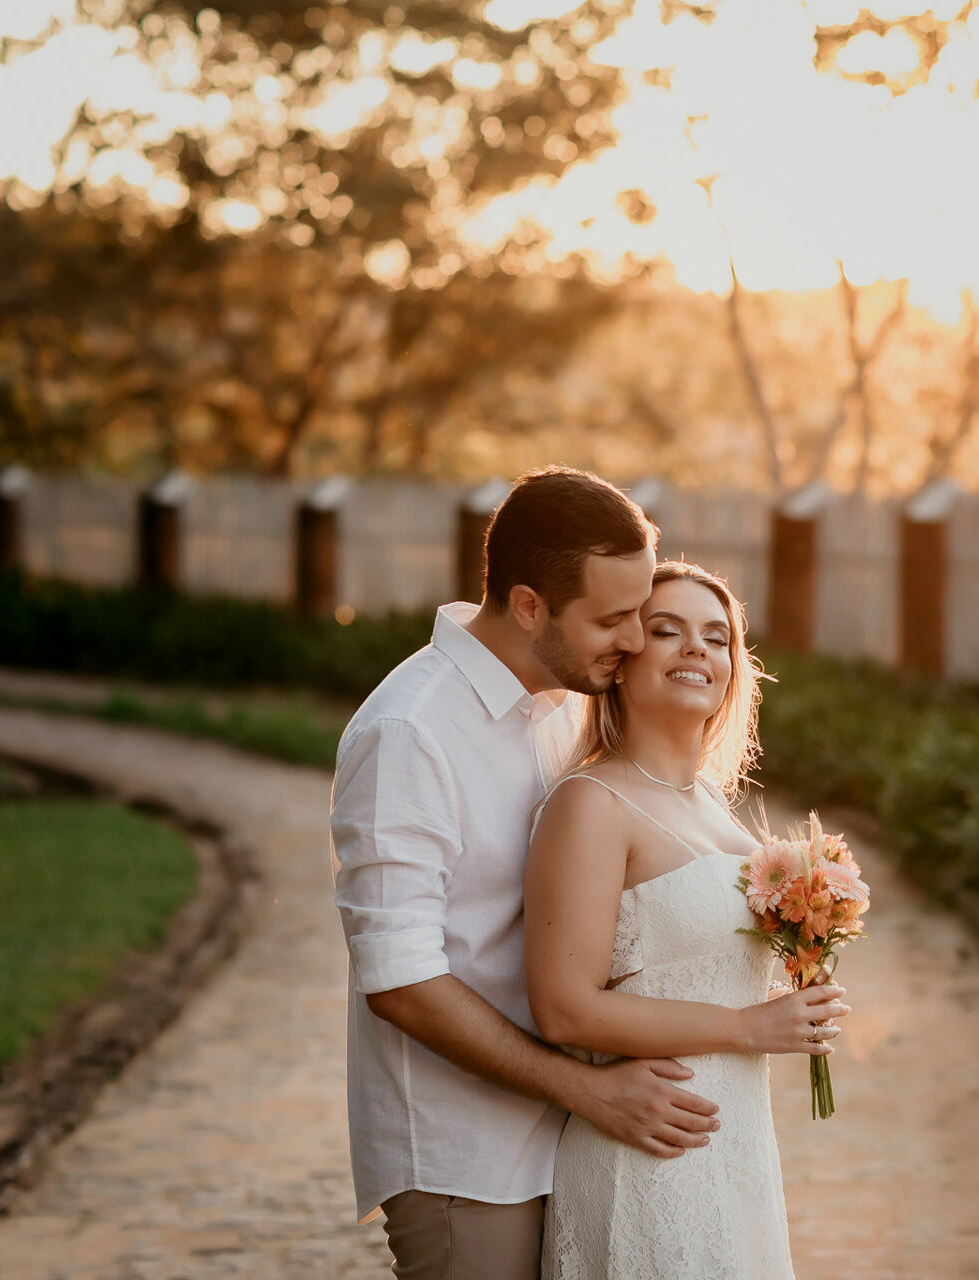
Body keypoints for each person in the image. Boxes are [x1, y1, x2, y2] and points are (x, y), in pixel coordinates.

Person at [329, 466, 727, 1278]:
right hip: (465, 1156)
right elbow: (399, 980)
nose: (633, 639)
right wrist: (584, 1089)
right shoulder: (411, 731)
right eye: (613, 619)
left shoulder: (559, 709)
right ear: (529, 605)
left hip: (575, 1138)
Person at [525, 560, 852, 1279]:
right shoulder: (592, 803)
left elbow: (682, 973)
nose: (696, 649)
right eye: (665, 630)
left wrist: (781, 1004)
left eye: (717, 636)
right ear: (620, 660)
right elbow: (563, 1008)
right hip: (647, 1148)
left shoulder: (718, 811)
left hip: (734, 1149)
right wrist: (746, 1027)